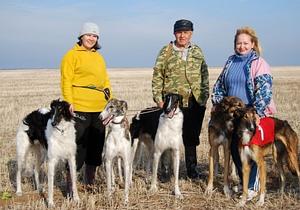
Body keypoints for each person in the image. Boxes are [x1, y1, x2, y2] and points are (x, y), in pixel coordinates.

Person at [212, 26, 276, 199]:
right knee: (235, 149)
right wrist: (217, 104)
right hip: (233, 114)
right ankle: (244, 184)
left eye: (245, 43)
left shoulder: (259, 63)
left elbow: (264, 91)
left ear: (253, 44)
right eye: (239, 43)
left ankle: (253, 187)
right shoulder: (231, 62)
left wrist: (257, 112)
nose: (242, 46)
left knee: (251, 150)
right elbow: (219, 86)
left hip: (250, 113)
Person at [152, 19, 209, 179]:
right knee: (167, 135)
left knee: (192, 136)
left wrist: (204, 97)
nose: (182, 35)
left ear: (191, 33)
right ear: (174, 33)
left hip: (194, 101)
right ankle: (165, 171)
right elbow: (157, 75)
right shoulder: (166, 51)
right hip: (172, 103)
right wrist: (158, 99)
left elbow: (204, 74)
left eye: (186, 32)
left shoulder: (197, 51)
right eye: (179, 32)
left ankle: (192, 169)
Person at [60, 22, 112, 187]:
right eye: (89, 35)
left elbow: (105, 82)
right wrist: (69, 101)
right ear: (81, 36)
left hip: (99, 108)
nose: (92, 38)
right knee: (78, 148)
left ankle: (90, 181)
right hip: (80, 107)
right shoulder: (71, 55)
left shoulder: (99, 57)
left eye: (95, 36)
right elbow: (66, 80)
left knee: (96, 146)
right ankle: (71, 184)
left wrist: (111, 102)